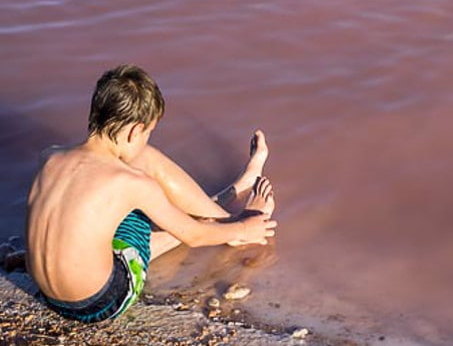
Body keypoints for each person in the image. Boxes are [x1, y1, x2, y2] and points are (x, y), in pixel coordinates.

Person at [21, 65, 277, 324]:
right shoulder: (130, 183)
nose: (146, 139)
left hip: (47, 293)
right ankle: (232, 226)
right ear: (135, 131)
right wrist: (245, 227)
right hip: (100, 301)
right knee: (147, 172)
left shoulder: (50, 157)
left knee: (108, 201)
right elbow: (194, 236)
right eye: (148, 132)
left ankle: (227, 205)